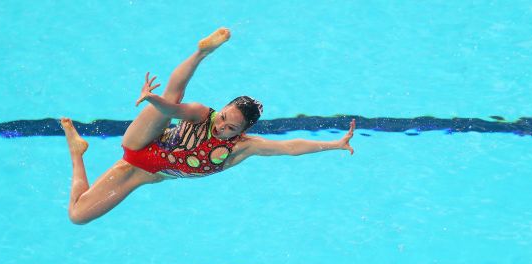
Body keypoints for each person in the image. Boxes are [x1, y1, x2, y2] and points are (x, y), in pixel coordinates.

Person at [60, 27, 356, 225]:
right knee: (171, 98)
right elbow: (173, 108)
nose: (222, 126)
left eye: (231, 128)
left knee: (78, 215)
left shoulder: (243, 147)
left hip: (143, 172)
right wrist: (151, 100)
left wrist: (333, 144)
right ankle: (202, 53)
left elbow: (290, 148)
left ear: (242, 133)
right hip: (142, 141)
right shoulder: (204, 115)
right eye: (224, 116)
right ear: (222, 108)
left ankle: (77, 151)